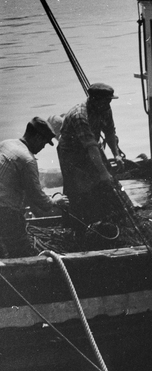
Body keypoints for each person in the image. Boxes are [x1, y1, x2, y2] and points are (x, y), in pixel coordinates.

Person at [56, 83, 124, 227]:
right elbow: (90, 146)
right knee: (77, 188)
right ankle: (74, 225)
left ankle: (104, 218)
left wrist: (116, 154)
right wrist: (103, 172)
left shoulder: (105, 108)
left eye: (110, 100)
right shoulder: (80, 116)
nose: (109, 104)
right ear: (94, 100)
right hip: (71, 153)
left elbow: (110, 131)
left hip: (91, 146)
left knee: (105, 183)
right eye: (106, 101)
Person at [0, 117, 65, 258]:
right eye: (44, 143)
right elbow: (37, 197)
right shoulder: (28, 160)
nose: (43, 148)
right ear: (37, 137)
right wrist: (55, 202)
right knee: (21, 250)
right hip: (5, 211)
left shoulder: (5, 144)